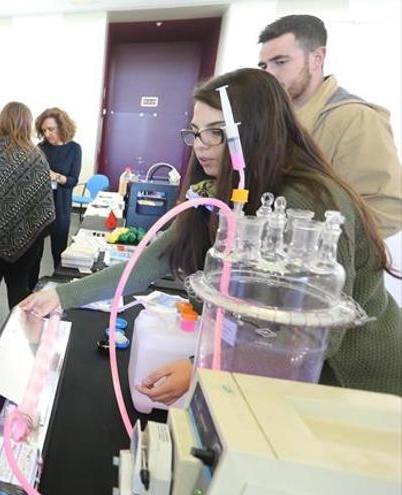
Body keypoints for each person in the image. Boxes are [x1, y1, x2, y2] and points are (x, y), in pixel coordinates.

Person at [21, 68, 401, 400]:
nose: (201, 147)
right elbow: (156, 257)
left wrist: (201, 368)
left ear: (255, 133)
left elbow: (309, 339)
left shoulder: (305, 201)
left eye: (216, 134)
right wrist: (62, 295)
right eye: (196, 133)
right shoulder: (224, 189)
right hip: (280, 378)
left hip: (353, 383)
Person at [258, 14, 402, 238]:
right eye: (264, 66)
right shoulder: (273, 120)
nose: (269, 74)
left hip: (326, 268)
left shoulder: (356, 117)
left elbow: (387, 212)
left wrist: (309, 241)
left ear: (317, 58)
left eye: (281, 62)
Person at [0, 102, 55, 341]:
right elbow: (45, 208)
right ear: (27, 123)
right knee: (19, 289)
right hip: (26, 243)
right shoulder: (35, 156)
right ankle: (17, 337)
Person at [35, 107, 81, 270]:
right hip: (41, 207)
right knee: (35, 253)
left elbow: (73, 180)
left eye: (51, 129)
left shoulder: (74, 149)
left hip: (61, 205)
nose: (47, 134)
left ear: (62, 127)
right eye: (44, 130)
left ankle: (57, 285)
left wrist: (56, 176)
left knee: (59, 251)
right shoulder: (40, 148)